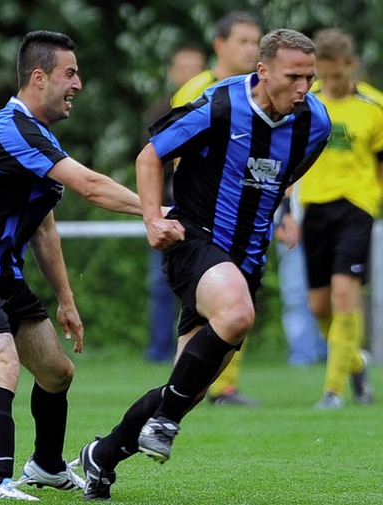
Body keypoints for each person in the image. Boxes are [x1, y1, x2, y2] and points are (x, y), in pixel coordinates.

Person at [78, 29, 331, 501]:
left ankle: (103, 454)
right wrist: (154, 219)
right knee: (236, 314)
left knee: (187, 385)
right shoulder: (219, 105)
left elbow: (285, 179)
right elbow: (151, 156)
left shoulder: (314, 122)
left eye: (309, 78)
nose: (303, 88)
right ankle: (167, 421)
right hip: (194, 239)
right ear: (263, 72)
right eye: (293, 76)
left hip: (247, 259)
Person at [0, 30, 159, 500]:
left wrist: (66, 300)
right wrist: (155, 211)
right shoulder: (14, 128)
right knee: (4, 363)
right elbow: (91, 186)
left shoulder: (40, 137)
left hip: (2, 275)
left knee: (56, 372)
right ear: (38, 77)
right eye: (70, 73)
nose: (79, 83)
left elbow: (45, 229)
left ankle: (47, 467)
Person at [172, 11, 263, 405]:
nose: (251, 48)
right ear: (219, 45)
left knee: (241, 299)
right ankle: (187, 387)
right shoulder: (197, 89)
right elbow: (175, 152)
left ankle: (218, 385)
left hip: (250, 214)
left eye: (256, 41)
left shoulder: (262, 90)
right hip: (204, 218)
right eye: (243, 40)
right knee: (213, 301)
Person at [295, 28, 383, 408]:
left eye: (335, 75)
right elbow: (291, 159)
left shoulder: (374, 106)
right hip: (314, 207)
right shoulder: (307, 104)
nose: (329, 83)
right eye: (322, 75)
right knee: (319, 305)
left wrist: (374, 201)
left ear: (350, 65)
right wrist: (283, 211)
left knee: (346, 292)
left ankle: (333, 391)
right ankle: (356, 363)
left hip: (356, 206)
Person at [144, 44, 207, 363]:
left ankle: (198, 351)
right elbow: (149, 157)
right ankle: (159, 350)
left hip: (207, 202)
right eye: (182, 67)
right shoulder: (162, 108)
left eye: (194, 67)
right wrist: (152, 209)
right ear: (172, 72)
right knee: (160, 280)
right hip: (171, 199)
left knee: (204, 277)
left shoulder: (216, 102)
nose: (189, 74)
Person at [273, 184, 326, 366]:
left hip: (324, 226)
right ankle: (302, 355)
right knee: (294, 295)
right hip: (291, 230)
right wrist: (280, 221)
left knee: (327, 292)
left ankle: (329, 351)